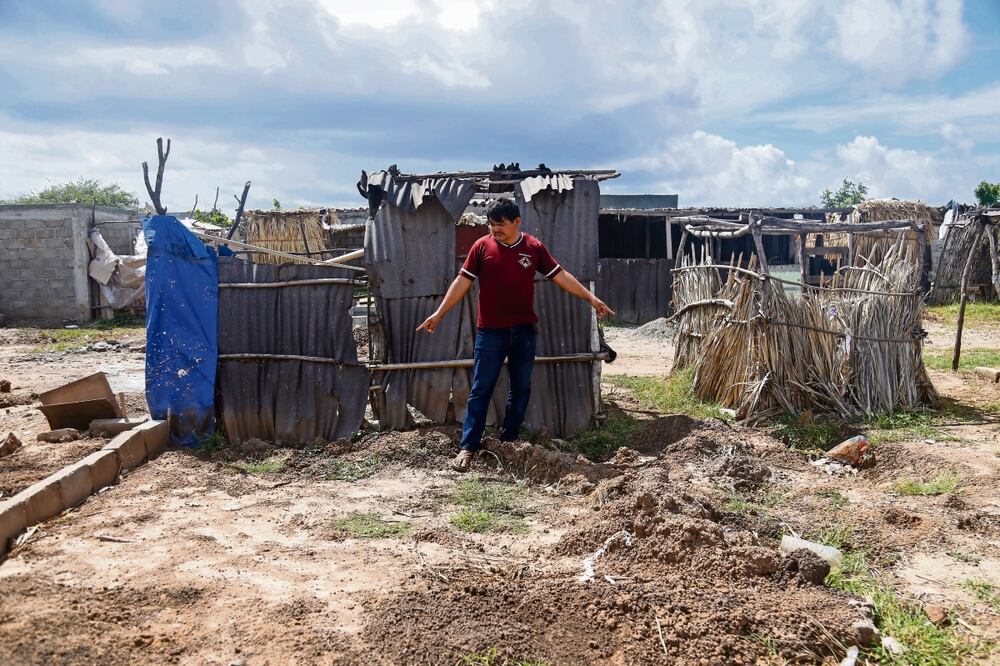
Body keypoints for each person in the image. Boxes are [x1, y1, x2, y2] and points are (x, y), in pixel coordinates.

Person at [416, 197, 615, 472]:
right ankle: (468, 447)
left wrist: (591, 299)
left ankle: (508, 441)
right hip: (490, 333)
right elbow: (462, 282)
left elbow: (561, 276)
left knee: (521, 389)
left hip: (524, 332)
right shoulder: (481, 247)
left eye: (501, 224)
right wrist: (439, 313)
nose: (495, 230)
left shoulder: (533, 247)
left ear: (517, 222)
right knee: (481, 389)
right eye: (491, 224)